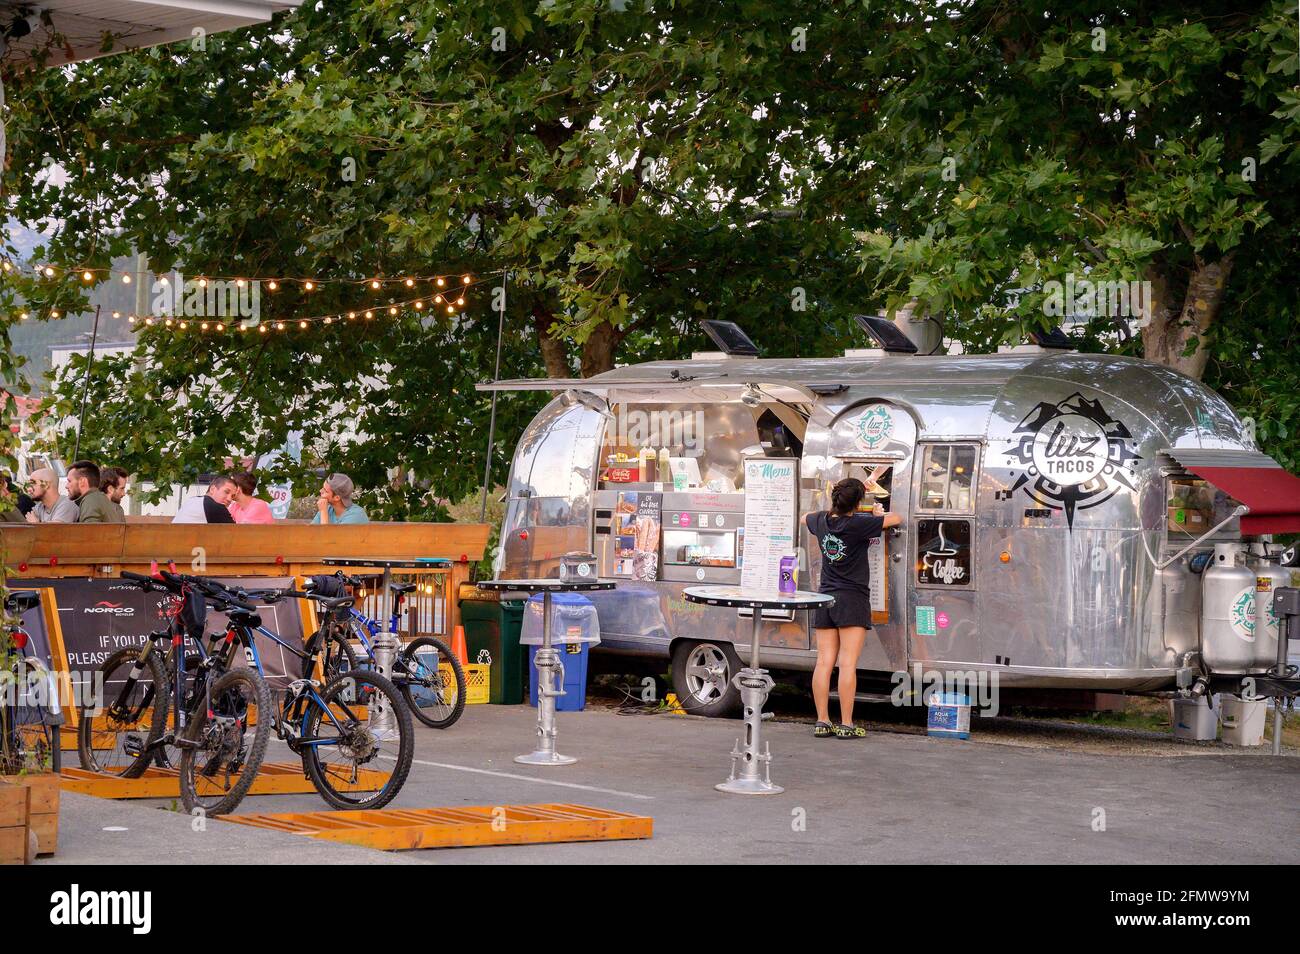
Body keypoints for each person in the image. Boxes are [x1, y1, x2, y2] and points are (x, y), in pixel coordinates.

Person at [803, 477, 902, 740]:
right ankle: (846, 724)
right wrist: (876, 511)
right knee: (847, 664)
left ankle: (822, 721)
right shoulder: (859, 524)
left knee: (824, 662)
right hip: (853, 598)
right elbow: (897, 519)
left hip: (824, 598)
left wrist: (832, 509)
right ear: (857, 503)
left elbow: (805, 517)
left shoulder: (821, 521)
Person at [173, 476, 237, 524]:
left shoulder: (192, 500)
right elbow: (237, 534)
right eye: (226, 492)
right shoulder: (215, 507)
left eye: (232, 496)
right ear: (212, 489)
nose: (229, 499)